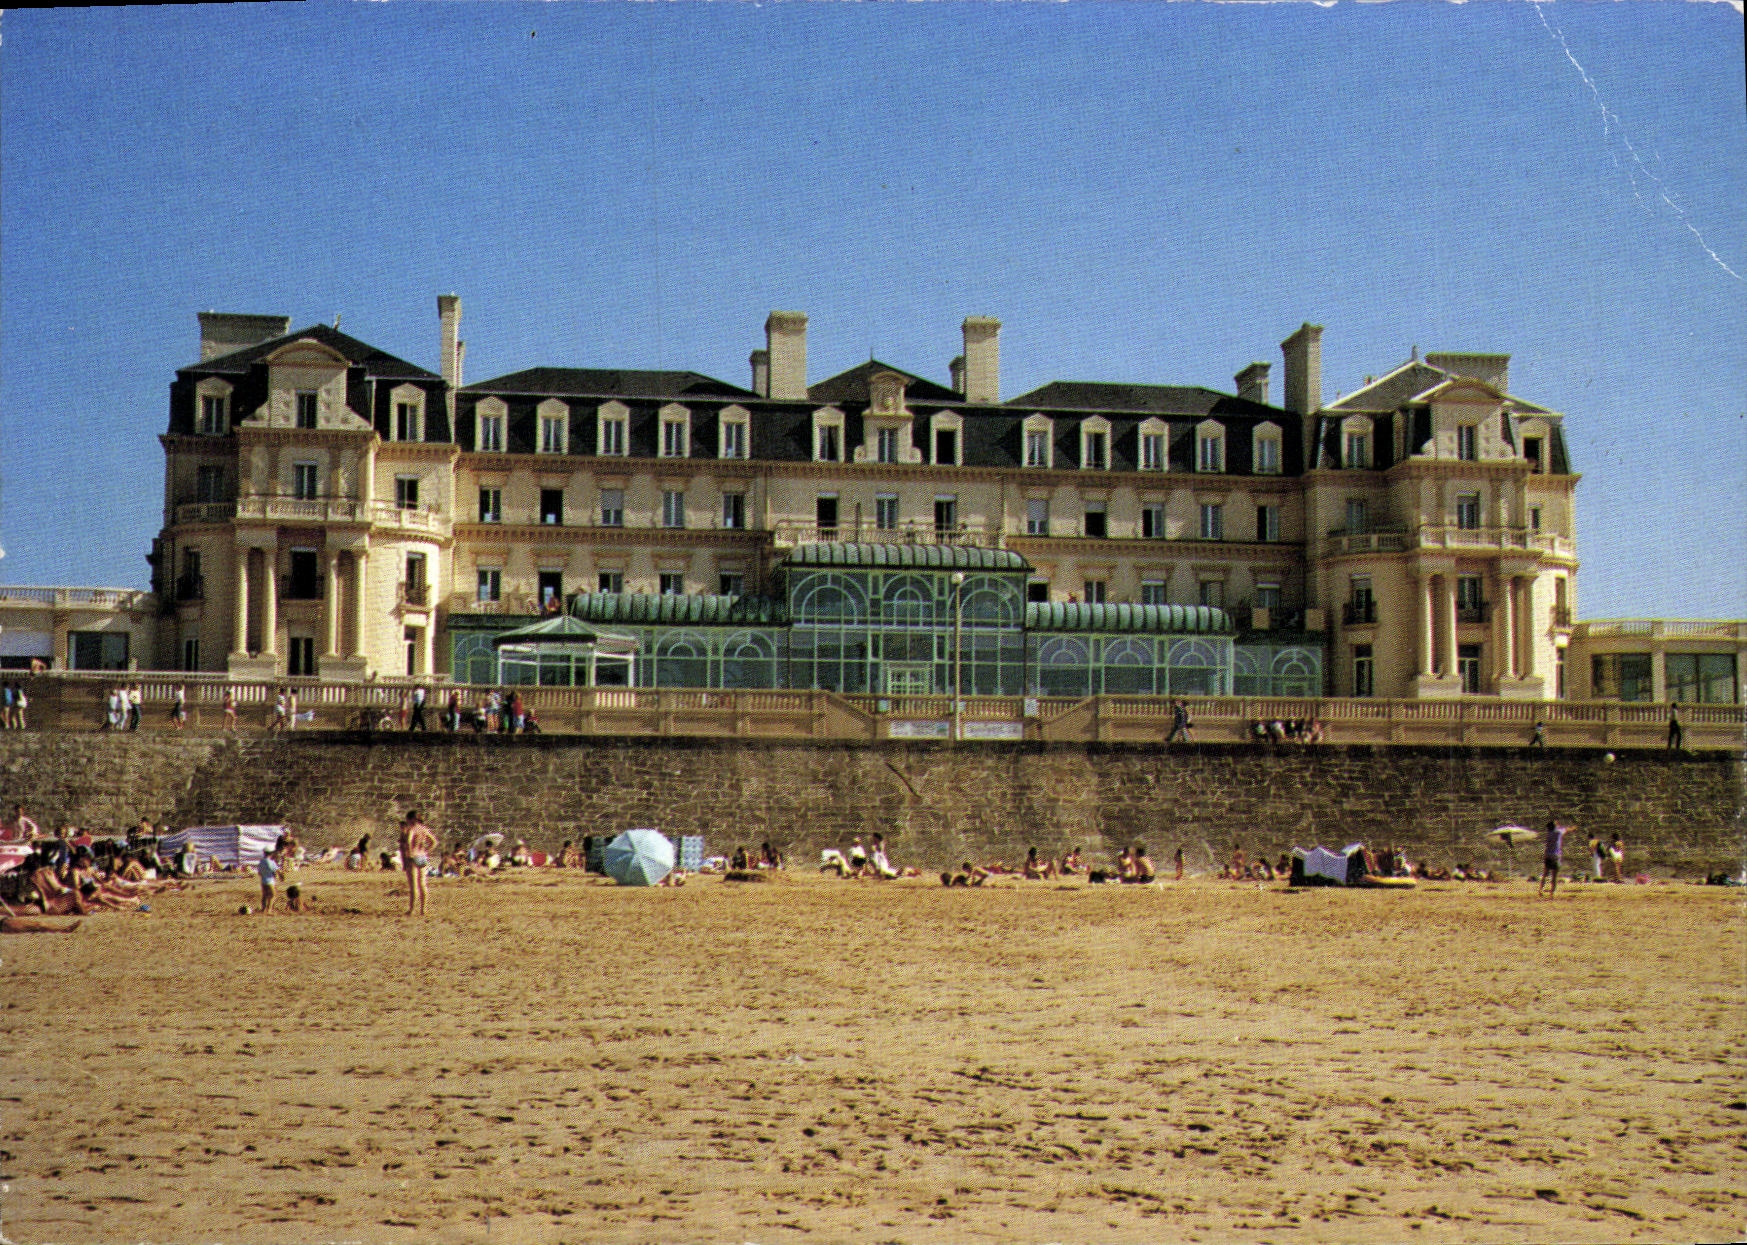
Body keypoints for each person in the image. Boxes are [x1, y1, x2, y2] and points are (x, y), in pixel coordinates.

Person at [399, 810, 437, 916]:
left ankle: (411, 910)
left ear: (411, 819)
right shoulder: (424, 829)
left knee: (413, 886)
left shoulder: (411, 829)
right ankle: (423, 909)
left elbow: (408, 841)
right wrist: (427, 851)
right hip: (422, 856)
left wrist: (409, 853)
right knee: (423, 884)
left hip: (413, 857)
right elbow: (434, 842)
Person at [1537, 819, 1567, 897]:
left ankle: (1541, 889)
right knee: (1554, 876)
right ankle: (1552, 892)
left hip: (1547, 855)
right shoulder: (1558, 833)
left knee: (1545, 874)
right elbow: (1565, 830)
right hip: (1555, 856)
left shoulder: (1549, 833)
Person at [257, 845, 281, 914]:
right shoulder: (271, 862)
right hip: (270, 881)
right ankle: (269, 910)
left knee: (264, 895)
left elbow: (259, 872)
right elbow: (276, 871)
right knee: (273, 895)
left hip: (263, 881)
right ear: (271, 853)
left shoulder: (261, 862)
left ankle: (263, 909)